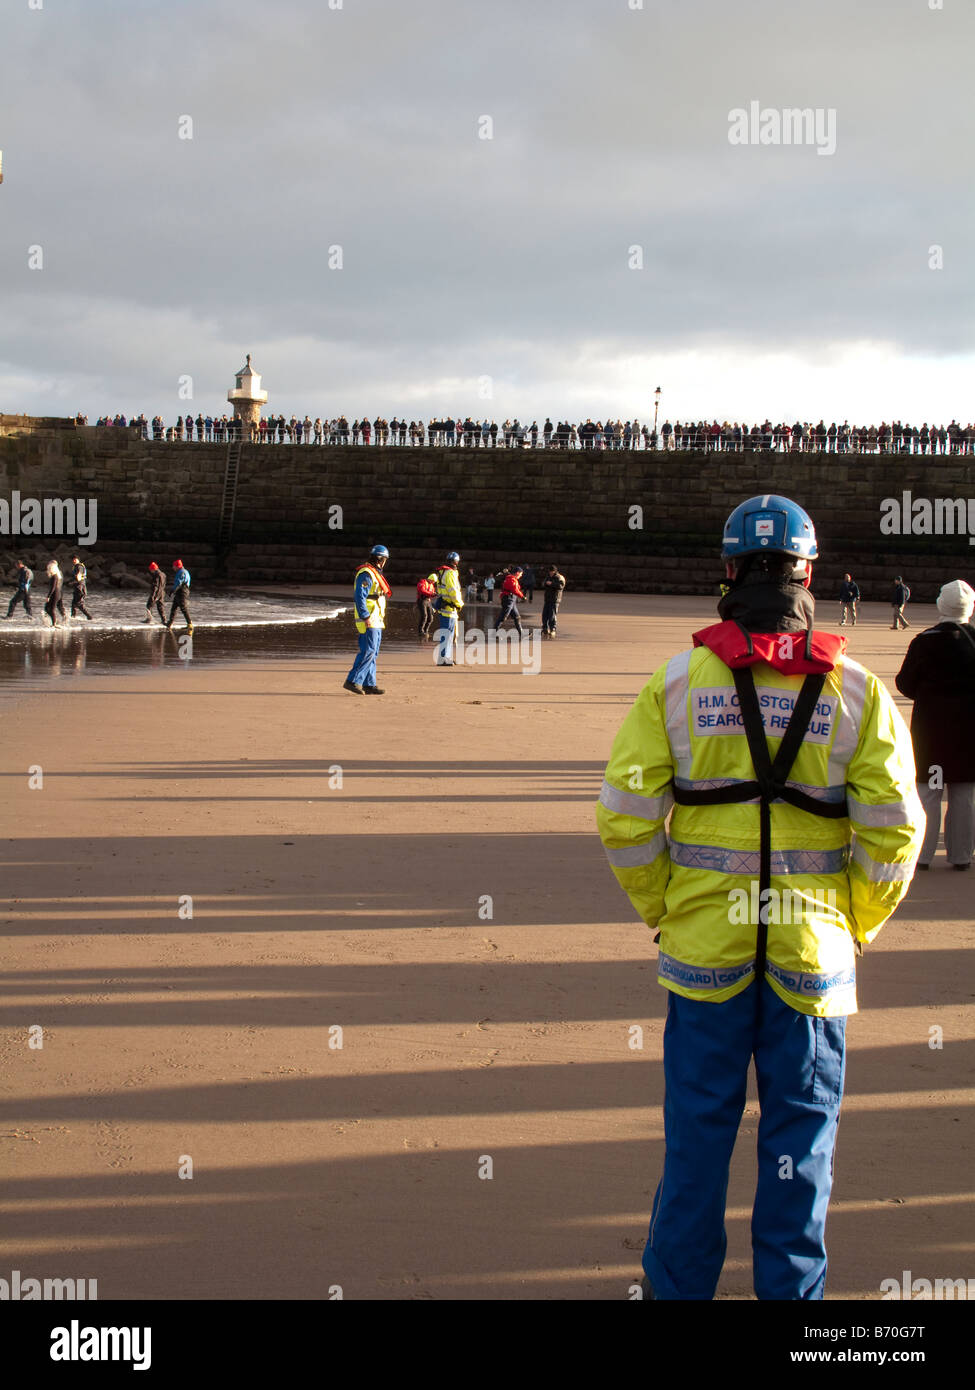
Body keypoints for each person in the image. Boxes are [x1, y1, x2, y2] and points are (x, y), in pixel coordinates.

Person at [596, 494, 922, 1301]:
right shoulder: (858, 691)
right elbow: (894, 831)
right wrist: (852, 923)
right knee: (800, 1148)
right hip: (812, 965)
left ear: (729, 570)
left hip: (703, 956)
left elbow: (624, 820)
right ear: (807, 573)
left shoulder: (673, 684)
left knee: (695, 1147)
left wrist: (665, 908)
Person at [895, 579, 975, 871]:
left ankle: (923, 854)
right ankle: (962, 855)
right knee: (964, 796)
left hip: (932, 732)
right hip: (968, 733)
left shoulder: (924, 641)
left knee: (929, 792)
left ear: (941, 605)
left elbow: (905, 683)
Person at [344, 544, 390, 693]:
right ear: (381, 559)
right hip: (369, 618)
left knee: (373, 652)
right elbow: (359, 596)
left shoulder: (373, 572)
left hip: (376, 618)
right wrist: (365, 616)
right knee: (368, 651)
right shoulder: (366, 573)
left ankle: (369, 684)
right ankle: (353, 680)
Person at [433, 550, 464, 666]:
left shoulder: (442, 572)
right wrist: (459, 603)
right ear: (456, 562)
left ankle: (446, 657)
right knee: (448, 634)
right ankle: (443, 658)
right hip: (450, 608)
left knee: (447, 634)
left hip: (444, 606)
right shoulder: (450, 573)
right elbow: (453, 591)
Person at [494, 567, 526, 636]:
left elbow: (516, 588)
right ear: (517, 573)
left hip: (511, 599)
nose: (521, 575)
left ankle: (521, 633)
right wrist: (522, 596)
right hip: (508, 599)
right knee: (503, 617)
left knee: (517, 617)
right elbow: (515, 590)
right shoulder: (511, 579)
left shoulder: (511, 579)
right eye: (520, 574)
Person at [166, 559, 193, 634]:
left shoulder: (181, 572)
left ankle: (190, 624)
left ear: (177, 566)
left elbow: (178, 583)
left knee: (183, 608)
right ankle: (169, 623)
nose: (173, 567)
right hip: (181, 591)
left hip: (182, 592)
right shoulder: (184, 571)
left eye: (173, 566)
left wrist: (172, 591)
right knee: (174, 607)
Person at [541, 564, 565, 637]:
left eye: (552, 572)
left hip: (555, 599)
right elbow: (543, 584)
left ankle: (552, 629)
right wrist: (546, 583)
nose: (550, 573)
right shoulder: (548, 576)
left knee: (552, 615)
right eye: (550, 572)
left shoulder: (559, 577)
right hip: (547, 599)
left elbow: (561, 586)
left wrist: (551, 583)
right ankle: (545, 629)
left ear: (555, 571)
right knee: (545, 614)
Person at [69, 556, 93, 621]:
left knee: (79, 604)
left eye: (75, 559)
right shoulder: (77, 566)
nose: (74, 561)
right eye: (73, 559)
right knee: (74, 604)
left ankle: (89, 617)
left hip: (80, 588)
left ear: (78, 560)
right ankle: (73, 618)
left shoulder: (79, 566)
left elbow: (79, 575)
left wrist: (76, 580)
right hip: (78, 587)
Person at [44, 560, 66, 627]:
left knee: (51, 609)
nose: (48, 570)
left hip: (55, 594)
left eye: (49, 568)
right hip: (57, 593)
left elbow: (53, 588)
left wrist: (48, 596)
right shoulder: (55, 575)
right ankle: (55, 621)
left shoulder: (55, 576)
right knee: (46, 608)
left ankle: (54, 624)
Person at [416, 571, 436, 640]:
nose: (434, 583)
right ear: (430, 579)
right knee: (424, 616)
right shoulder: (422, 582)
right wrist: (431, 594)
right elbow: (422, 590)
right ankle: (420, 631)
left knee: (430, 618)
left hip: (428, 601)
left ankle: (426, 630)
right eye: (433, 581)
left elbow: (432, 592)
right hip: (422, 600)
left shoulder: (431, 585)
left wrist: (434, 594)